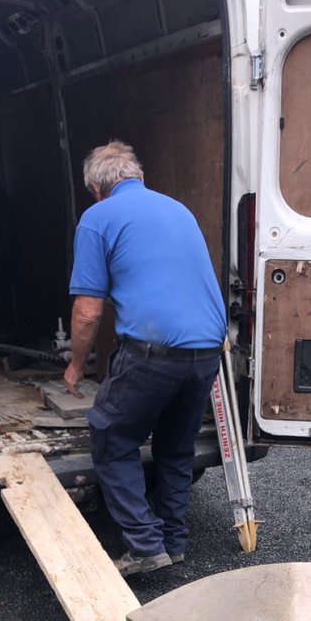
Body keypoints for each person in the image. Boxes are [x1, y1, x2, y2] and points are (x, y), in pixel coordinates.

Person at [65, 141, 226, 577]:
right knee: (175, 448)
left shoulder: (97, 218)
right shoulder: (179, 210)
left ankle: (144, 546)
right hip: (208, 351)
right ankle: (173, 543)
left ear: (96, 189)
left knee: (110, 437)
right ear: (138, 177)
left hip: (154, 353)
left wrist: (76, 365)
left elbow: (87, 313)